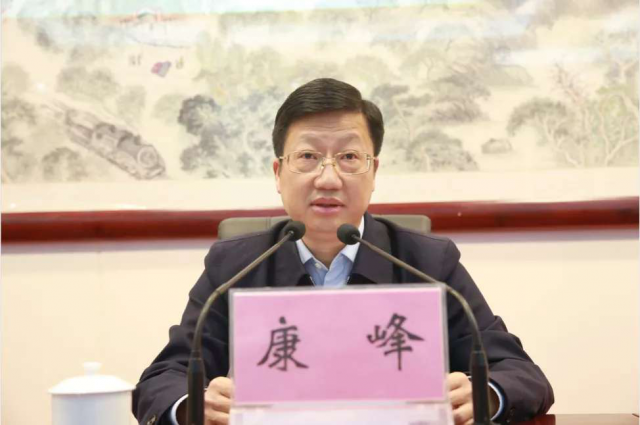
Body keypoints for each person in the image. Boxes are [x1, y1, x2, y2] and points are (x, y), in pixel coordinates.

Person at [133, 78, 554, 425]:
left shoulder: (427, 262)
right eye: (308, 156)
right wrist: (191, 406)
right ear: (278, 173)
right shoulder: (236, 265)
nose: (328, 178)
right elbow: (161, 380)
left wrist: (486, 395)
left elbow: (520, 373)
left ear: (374, 171)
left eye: (349, 157)